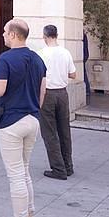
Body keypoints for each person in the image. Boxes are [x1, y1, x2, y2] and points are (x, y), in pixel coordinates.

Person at [0, 18, 47, 217]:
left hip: (12, 122)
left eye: (5, 32)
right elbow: (43, 91)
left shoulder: (6, 59)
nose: (3, 35)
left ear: (14, 34)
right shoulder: (37, 59)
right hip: (32, 119)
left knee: (15, 176)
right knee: (24, 172)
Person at [38, 24, 76, 180]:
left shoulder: (41, 54)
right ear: (57, 35)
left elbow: (38, 77)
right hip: (62, 93)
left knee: (49, 132)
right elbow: (73, 74)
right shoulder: (65, 52)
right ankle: (68, 166)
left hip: (48, 94)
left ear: (45, 37)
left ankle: (58, 168)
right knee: (64, 130)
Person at [83, 30, 91, 104]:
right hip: (84, 56)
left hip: (83, 56)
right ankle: (87, 90)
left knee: (83, 73)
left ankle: (87, 90)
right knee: (84, 73)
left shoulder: (83, 35)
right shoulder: (84, 35)